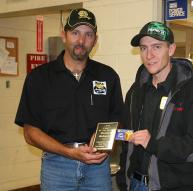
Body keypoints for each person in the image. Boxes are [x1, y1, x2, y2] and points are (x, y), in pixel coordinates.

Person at [15, 8, 124, 190]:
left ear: (95, 40)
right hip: (57, 166)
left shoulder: (108, 76)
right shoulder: (39, 78)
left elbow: (119, 120)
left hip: (97, 167)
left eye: (88, 34)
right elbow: (30, 132)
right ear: (63, 35)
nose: (81, 41)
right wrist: (69, 152)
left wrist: (107, 138)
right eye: (75, 33)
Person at [116, 21, 193, 190]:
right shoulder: (135, 91)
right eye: (143, 48)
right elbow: (127, 140)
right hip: (133, 184)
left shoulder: (192, 90)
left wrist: (154, 144)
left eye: (156, 47)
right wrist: (122, 178)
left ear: (171, 49)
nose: (149, 55)